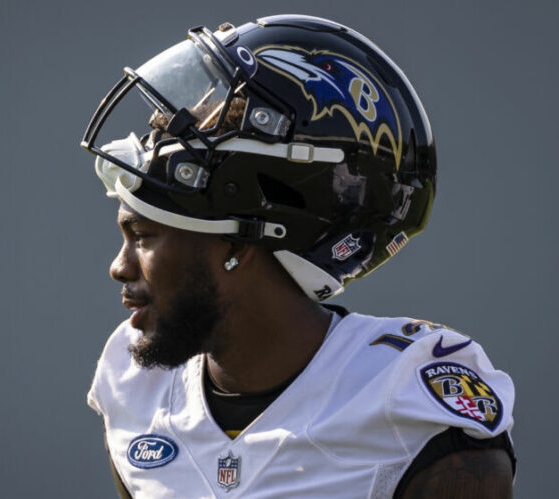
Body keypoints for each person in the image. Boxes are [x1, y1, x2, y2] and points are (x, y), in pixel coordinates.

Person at [81, 14, 516, 498]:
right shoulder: (132, 379)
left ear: (238, 240)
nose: (119, 266)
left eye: (142, 235)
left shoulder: (409, 398)